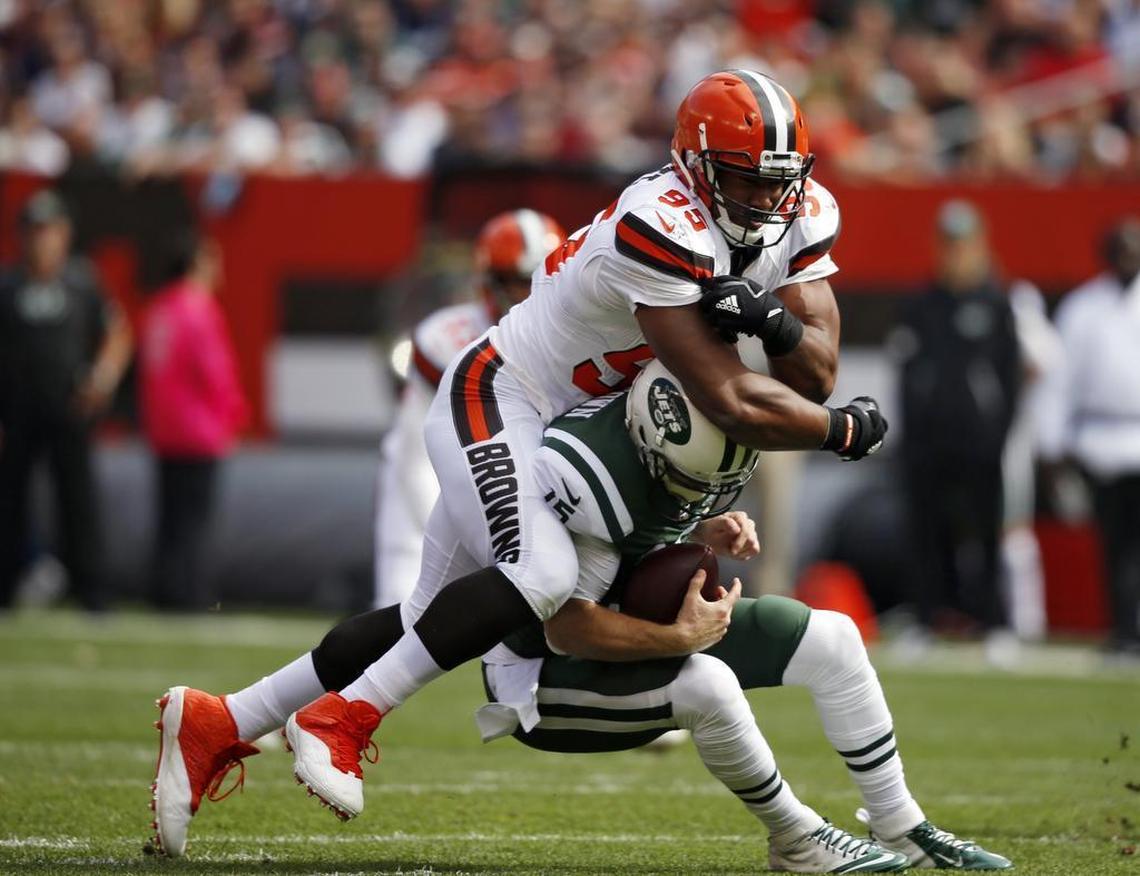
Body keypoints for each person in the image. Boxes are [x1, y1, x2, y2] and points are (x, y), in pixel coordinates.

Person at [151, 69, 892, 854]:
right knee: (538, 576)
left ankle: (218, 723)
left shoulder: (798, 219)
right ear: (697, 169)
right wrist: (838, 432)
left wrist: (774, 320)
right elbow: (728, 400)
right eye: (744, 179)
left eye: (778, 182)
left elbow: (813, 372)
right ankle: (341, 719)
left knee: (422, 620)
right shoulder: (661, 224)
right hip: (501, 399)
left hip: (559, 418)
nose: (764, 202)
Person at [478, 361, 1011, 871]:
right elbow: (567, 627)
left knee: (834, 636)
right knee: (708, 682)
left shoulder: (654, 440)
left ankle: (900, 824)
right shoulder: (584, 476)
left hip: (619, 625)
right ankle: (795, 837)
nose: (701, 494)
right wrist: (678, 637)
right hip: (537, 679)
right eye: (692, 481)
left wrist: (695, 527)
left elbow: (645, 521)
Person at [373, 210, 566, 608]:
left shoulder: (572, 338)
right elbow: (415, 454)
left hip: (524, 487)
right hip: (440, 486)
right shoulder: (447, 338)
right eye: (517, 283)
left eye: (538, 281)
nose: (529, 296)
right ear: (489, 283)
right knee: (401, 608)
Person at [894, 200, 1021, 652]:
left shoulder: (996, 302)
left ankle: (995, 624)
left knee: (985, 535)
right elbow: (907, 376)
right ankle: (928, 619)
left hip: (980, 445)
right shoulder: (921, 303)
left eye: (963, 244)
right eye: (949, 245)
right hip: (928, 445)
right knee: (927, 533)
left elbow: (1009, 381)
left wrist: (999, 437)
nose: (956, 254)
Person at [0, 189, 132, 612]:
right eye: (35, 231)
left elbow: (117, 331)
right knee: (10, 501)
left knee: (79, 501)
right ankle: (6, 586)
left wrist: (102, 377)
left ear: (65, 234)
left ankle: (92, 592)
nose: (43, 240)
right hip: (16, 411)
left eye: (50, 231)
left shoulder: (82, 281)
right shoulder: (8, 285)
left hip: (69, 409)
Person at [1038, 217, 1140, 660]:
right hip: (1100, 441)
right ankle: (1121, 629)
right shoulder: (1084, 307)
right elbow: (1061, 381)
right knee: (1113, 545)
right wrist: (1052, 443)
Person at [139, 231, 248, 611]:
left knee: (169, 519)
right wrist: (233, 415)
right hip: (199, 431)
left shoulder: (159, 308)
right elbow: (215, 372)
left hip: (164, 430)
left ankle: (165, 591)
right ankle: (192, 595)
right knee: (196, 524)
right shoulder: (200, 309)